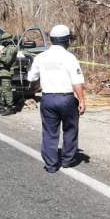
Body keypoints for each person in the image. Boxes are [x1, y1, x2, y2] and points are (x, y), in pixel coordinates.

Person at [27, 24, 86, 173]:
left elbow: (31, 77)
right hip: (66, 99)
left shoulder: (41, 57)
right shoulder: (69, 57)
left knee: (49, 131)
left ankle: (51, 165)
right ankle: (67, 160)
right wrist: (82, 101)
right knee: (70, 129)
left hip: (47, 98)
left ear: (52, 40)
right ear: (66, 41)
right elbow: (77, 81)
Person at [0, 32, 17, 116]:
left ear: (7, 40)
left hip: (6, 72)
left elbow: (7, 61)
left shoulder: (12, 48)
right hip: (0, 72)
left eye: (3, 40)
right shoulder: (4, 49)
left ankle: (10, 108)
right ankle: (1, 107)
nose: (1, 42)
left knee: (7, 91)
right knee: (0, 91)